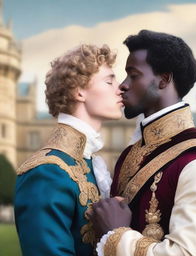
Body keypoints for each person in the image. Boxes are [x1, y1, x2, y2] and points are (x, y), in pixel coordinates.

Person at [89, 30, 196, 256]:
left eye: (133, 75)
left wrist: (117, 234)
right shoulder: (130, 154)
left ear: (164, 80)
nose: (122, 86)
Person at [14, 44, 123, 256]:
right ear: (79, 91)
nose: (120, 88)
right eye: (109, 81)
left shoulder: (90, 164)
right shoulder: (46, 172)